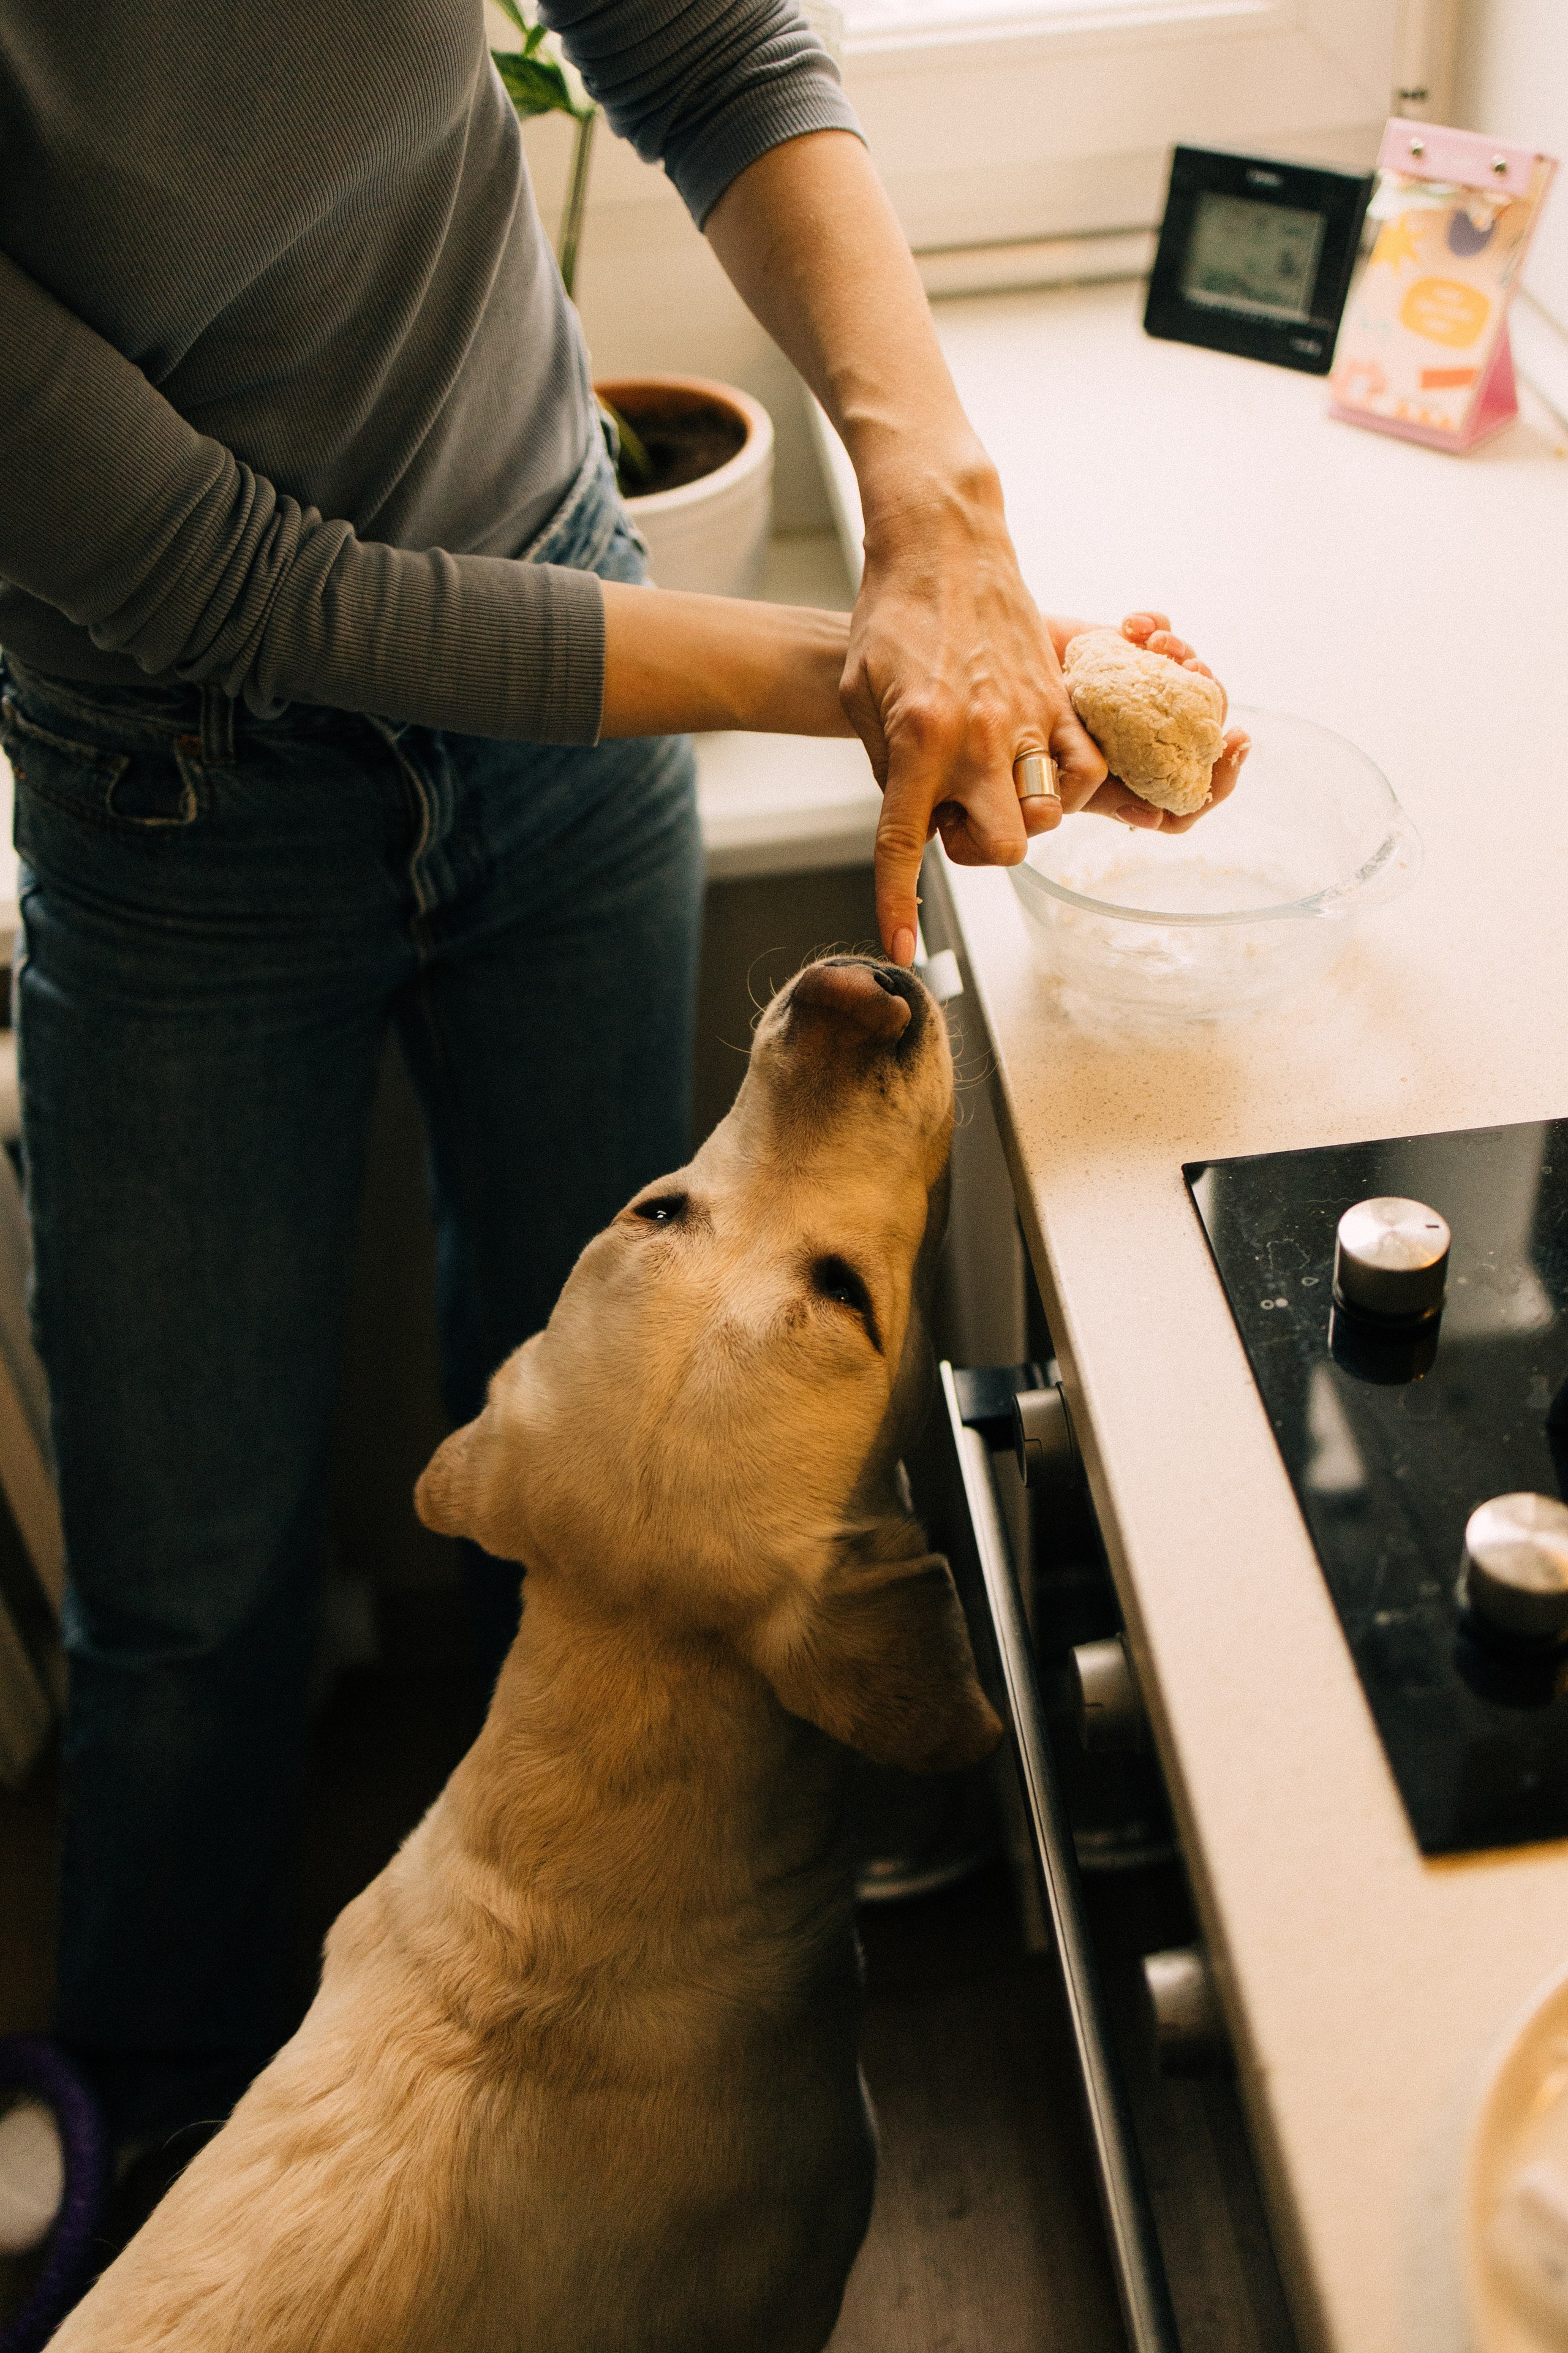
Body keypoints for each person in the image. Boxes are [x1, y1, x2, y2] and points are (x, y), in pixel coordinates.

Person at [0, 0, 1245, 2171]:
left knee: (600, 1490)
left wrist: (943, 517)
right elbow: (235, 585)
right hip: (173, 809)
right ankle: (171, 2145)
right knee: (186, 1595)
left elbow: (702, 44)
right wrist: (873, 677)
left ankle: (580, 2081)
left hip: (555, 690)